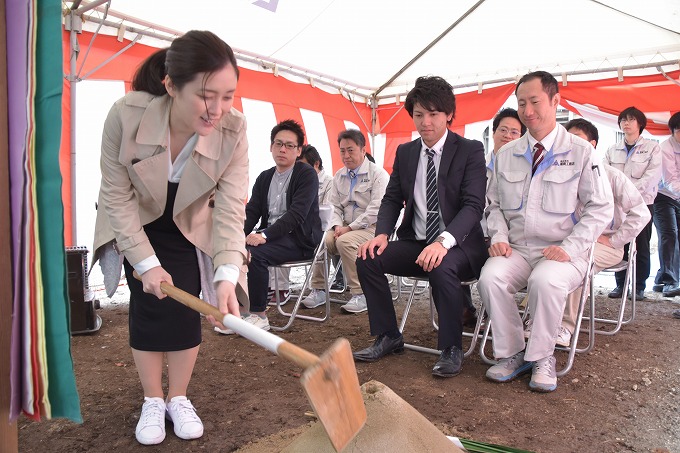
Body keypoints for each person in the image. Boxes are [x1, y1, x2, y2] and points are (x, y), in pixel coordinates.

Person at [92, 31, 247, 445]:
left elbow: (232, 205)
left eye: (228, 96)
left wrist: (227, 274)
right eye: (205, 95)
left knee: (185, 303)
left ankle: (178, 397)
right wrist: (145, 263)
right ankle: (151, 399)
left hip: (189, 221)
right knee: (149, 300)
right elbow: (116, 196)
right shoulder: (125, 116)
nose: (217, 110)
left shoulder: (234, 130)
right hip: (136, 220)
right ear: (171, 85)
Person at [478, 71, 612, 392]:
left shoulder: (582, 152)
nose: (527, 111)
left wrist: (570, 246)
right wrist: (497, 236)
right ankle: (512, 353)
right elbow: (492, 205)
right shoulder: (506, 154)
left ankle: (542, 356)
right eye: (521, 103)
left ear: (555, 101)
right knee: (490, 277)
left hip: (564, 252)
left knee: (546, 279)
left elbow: (600, 208)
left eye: (534, 102)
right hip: (519, 249)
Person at [353, 75, 488, 378]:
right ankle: (388, 334)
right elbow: (391, 199)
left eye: (433, 114)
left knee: (441, 265)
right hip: (416, 241)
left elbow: (473, 206)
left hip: (460, 246)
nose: (425, 122)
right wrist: (382, 235)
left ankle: (451, 348)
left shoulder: (470, 150)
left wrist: (443, 242)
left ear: (449, 114)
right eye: (418, 114)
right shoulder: (406, 152)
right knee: (368, 258)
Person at [537, 118, 649, 346]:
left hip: (605, 247)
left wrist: (615, 239)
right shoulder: (558, 173)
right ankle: (537, 320)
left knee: (576, 260)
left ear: (593, 145)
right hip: (568, 240)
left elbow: (641, 213)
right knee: (547, 256)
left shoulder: (612, 176)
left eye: (577, 140)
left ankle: (565, 326)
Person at [221, 119, 322, 332]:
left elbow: (297, 215)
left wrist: (264, 235)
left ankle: (259, 315)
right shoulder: (265, 177)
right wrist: (236, 235)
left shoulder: (306, 175)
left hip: (299, 239)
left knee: (256, 253)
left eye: (289, 145)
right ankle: (239, 313)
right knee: (235, 250)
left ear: (298, 150)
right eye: (278, 144)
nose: (283, 149)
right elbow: (252, 212)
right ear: (271, 147)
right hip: (274, 237)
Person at [302, 130, 389, 313]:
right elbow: (333, 206)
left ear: (363, 150)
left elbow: (376, 210)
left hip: (372, 229)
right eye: (342, 151)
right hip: (344, 228)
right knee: (322, 240)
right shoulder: (339, 176)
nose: (346, 155)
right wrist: (337, 226)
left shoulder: (378, 175)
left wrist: (349, 228)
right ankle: (318, 289)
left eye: (350, 150)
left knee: (345, 242)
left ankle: (361, 294)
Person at [605, 107, 662, 301]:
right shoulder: (612, 150)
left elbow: (652, 176)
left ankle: (638, 286)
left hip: (642, 204)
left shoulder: (653, 147)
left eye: (631, 119)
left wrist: (628, 192)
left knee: (641, 245)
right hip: (617, 206)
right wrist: (618, 196)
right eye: (623, 120)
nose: (626, 123)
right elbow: (605, 176)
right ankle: (620, 284)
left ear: (640, 124)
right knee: (618, 242)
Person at [653, 112, 680, 297]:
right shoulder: (665, 149)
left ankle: (663, 278)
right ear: (672, 131)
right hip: (662, 196)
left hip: (678, 196)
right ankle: (670, 281)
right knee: (669, 234)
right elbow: (670, 180)